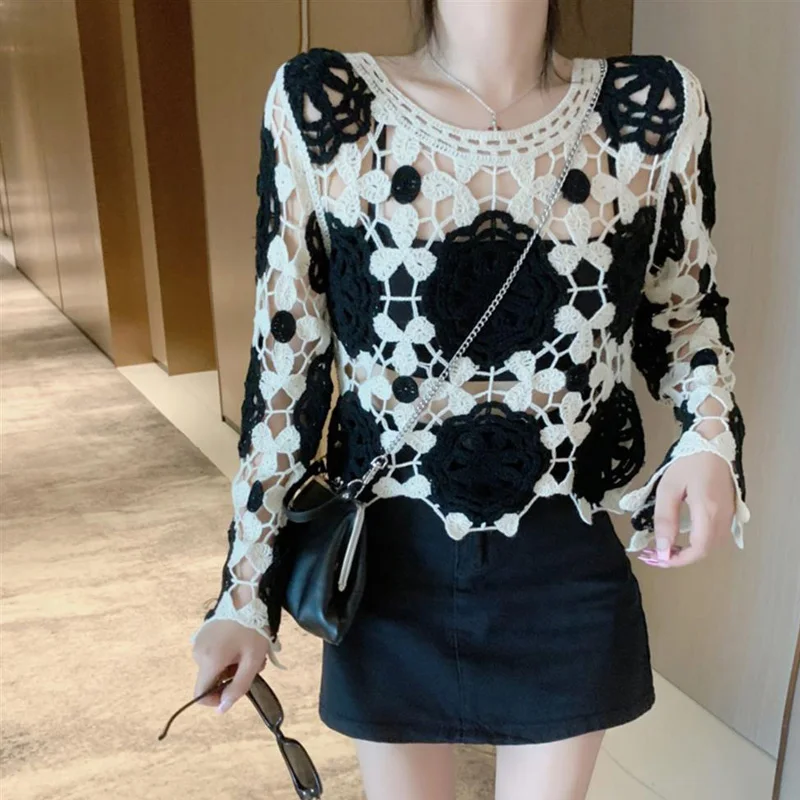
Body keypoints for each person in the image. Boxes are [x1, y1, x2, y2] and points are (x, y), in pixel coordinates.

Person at [189, 1, 749, 798]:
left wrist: (708, 437)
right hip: (386, 573)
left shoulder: (649, 113)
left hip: (562, 564)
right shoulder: (328, 107)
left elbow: (686, 316)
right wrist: (243, 595)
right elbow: (285, 367)